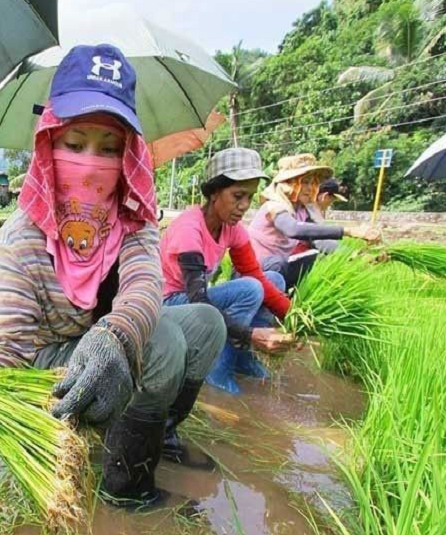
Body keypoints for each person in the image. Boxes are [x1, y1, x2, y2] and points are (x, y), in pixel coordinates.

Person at [0, 43, 226, 508]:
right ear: (50, 141)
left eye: (109, 148)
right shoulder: (22, 238)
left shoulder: (133, 216)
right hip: (47, 365)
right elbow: (7, 348)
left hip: (108, 342)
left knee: (206, 324)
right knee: (165, 344)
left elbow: (145, 287)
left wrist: (117, 336)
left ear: (127, 156)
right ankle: (123, 488)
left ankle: (150, 434)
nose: (91, 162)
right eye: (75, 144)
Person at [160, 148, 295, 396]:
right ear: (214, 193)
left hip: (193, 300)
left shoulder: (231, 228)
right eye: (237, 196)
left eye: (249, 197)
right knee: (249, 290)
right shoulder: (189, 229)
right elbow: (197, 300)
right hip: (167, 305)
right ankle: (216, 368)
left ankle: (241, 360)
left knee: (273, 281)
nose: (244, 206)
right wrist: (251, 334)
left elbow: (257, 275)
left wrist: (295, 317)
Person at [249, 154, 380, 291]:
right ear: (288, 184)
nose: (310, 188)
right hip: (253, 269)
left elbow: (320, 241)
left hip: (274, 270)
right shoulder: (274, 206)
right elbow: (293, 229)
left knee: (309, 259)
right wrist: (349, 231)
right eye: (304, 182)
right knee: (282, 265)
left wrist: (356, 256)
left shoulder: (301, 211)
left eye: (313, 183)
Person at [291, 178, 350, 256]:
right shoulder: (308, 213)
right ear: (324, 196)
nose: (331, 204)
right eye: (332, 199)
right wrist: (349, 253)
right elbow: (319, 241)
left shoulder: (310, 210)